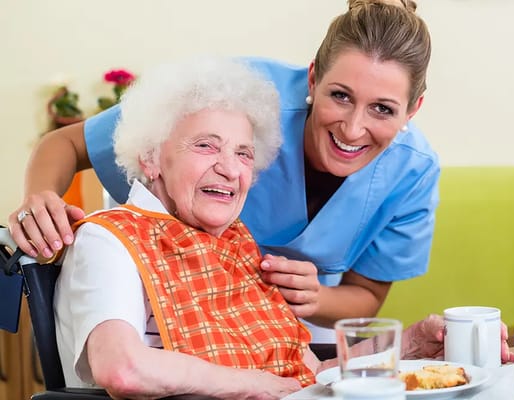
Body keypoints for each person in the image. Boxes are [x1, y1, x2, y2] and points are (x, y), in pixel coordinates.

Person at [9, 0, 513, 361]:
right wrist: (41, 201)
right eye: (339, 96)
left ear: (413, 110)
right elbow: (67, 144)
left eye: (383, 109)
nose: (353, 128)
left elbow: (360, 303)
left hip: (285, 340)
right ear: (312, 79)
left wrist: (322, 302)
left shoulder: (413, 171)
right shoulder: (238, 99)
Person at [54, 56, 317, 399]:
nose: (229, 168)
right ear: (151, 157)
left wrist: (405, 346)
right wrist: (249, 382)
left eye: (244, 154)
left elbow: (306, 373)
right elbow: (120, 368)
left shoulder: (233, 242)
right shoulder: (107, 239)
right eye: (206, 145)